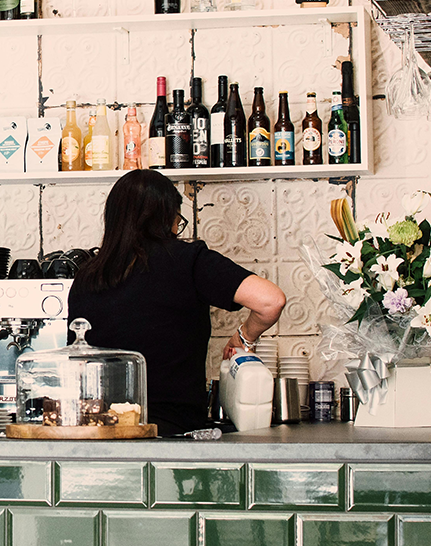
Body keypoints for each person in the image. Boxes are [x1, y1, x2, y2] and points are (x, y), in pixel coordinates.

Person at [67, 169, 285, 436]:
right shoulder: (188, 259)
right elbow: (270, 301)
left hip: (98, 433)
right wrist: (244, 336)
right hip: (173, 433)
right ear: (166, 217)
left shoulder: (87, 276)